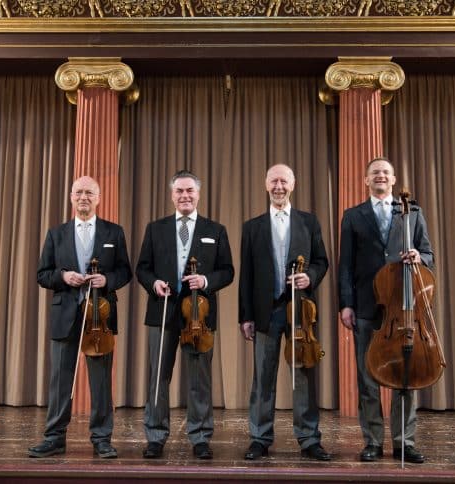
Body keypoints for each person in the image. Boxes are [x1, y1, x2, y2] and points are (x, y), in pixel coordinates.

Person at [337, 156, 434, 464]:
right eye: (374, 172)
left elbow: (429, 253)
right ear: (366, 181)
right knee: (367, 378)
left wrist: (420, 256)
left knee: (404, 375)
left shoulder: (412, 212)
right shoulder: (352, 216)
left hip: (403, 307)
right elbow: (346, 266)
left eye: (385, 172)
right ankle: (373, 442)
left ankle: (404, 441)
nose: (380, 176)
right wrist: (346, 304)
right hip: (366, 306)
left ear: (393, 180)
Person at [29, 175, 133, 459]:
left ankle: (101, 439)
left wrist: (107, 280)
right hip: (66, 316)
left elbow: (125, 271)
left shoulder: (114, 233)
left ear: (98, 198)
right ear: (71, 197)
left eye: (89, 192)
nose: (83, 197)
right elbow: (42, 274)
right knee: (60, 381)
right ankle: (54, 437)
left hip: (100, 317)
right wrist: (63, 276)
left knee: (100, 382)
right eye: (78, 192)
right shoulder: (56, 234)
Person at [136, 170, 234, 460]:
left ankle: (200, 437)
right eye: (179, 191)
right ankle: (155, 435)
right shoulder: (155, 229)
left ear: (198, 194)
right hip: (163, 311)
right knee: (158, 378)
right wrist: (153, 283)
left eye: (190, 190)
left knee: (199, 379)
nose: (185, 196)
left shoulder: (215, 230)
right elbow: (142, 268)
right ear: (172, 195)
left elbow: (227, 271)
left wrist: (205, 282)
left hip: (198, 317)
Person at [239, 164, 331, 461]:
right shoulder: (252, 227)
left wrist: (310, 277)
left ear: (293, 185)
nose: (279, 186)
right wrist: (245, 316)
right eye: (274, 181)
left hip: (300, 312)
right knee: (263, 378)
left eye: (284, 181)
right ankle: (260, 437)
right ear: (266, 185)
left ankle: (309, 439)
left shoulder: (309, 222)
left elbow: (321, 261)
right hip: (266, 312)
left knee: (303, 376)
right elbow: (247, 276)